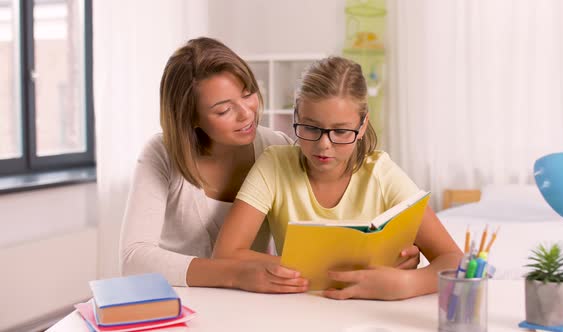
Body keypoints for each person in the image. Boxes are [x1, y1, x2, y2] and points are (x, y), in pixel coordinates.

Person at [119, 37, 422, 292]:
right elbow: (134, 258)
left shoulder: (275, 148)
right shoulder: (161, 154)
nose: (247, 114)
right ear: (191, 117)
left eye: (248, 93)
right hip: (175, 298)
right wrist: (233, 274)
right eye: (224, 109)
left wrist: (383, 260)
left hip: (249, 300)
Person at [213, 56, 463, 300]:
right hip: (295, 309)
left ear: (363, 125)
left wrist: (408, 283)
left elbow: (455, 260)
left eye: (341, 131)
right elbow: (225, 254)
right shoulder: (274, 165)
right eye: (310, 128)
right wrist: (338, 273)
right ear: (296, 116)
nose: (324, 145)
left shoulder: (382, 175)